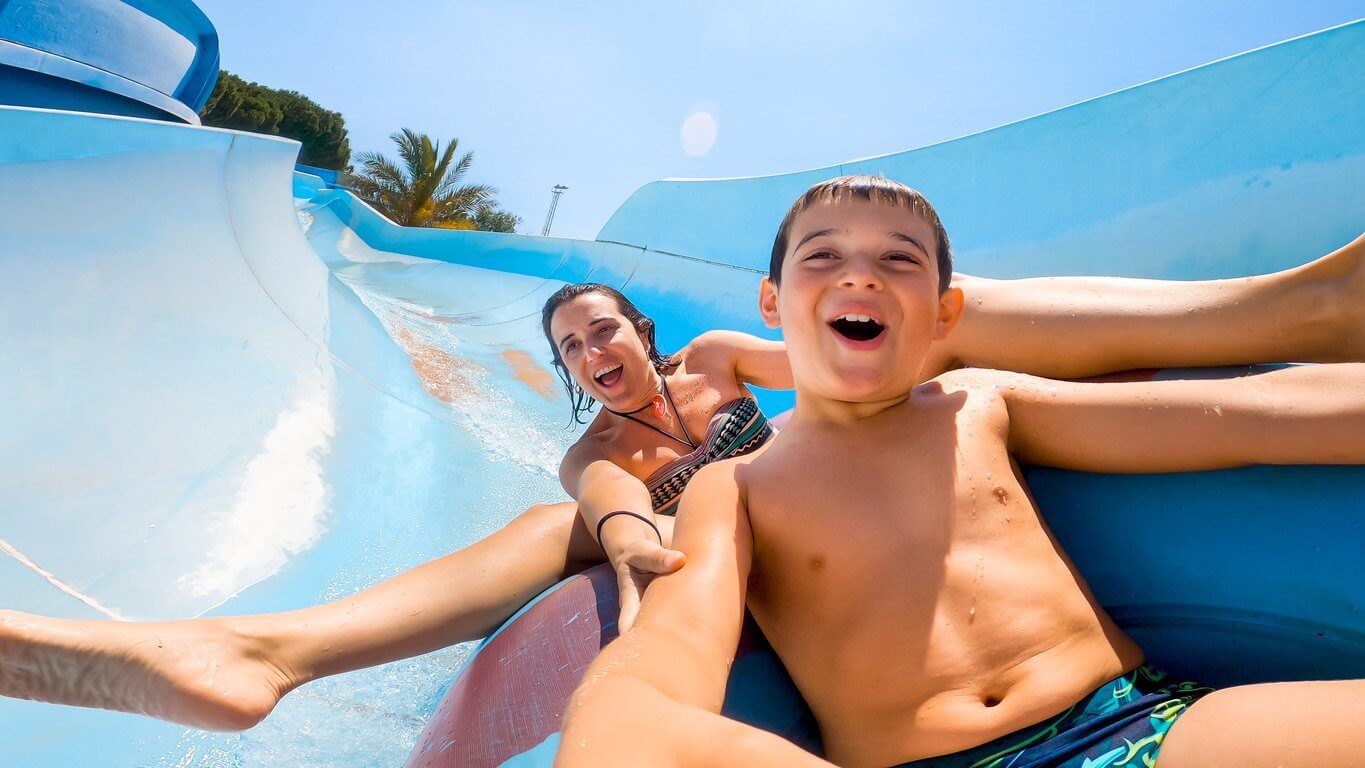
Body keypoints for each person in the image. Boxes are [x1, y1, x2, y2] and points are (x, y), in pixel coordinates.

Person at [1, 191, 1362, 734]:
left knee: (923, 334)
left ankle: (1279, 312)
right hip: (719, 544)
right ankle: (256, 654)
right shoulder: (611, 450)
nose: (593, 355)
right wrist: (642, 554)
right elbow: (610, 509)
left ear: (640, 331)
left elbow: (882, 347)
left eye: (601, 331)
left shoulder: (732, 359)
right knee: (567, 535)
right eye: (572, 349)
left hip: (872, 503)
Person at [557, 175, 1365, 768]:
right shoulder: (732, 486)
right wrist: (626, 712)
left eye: (898, 260)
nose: (859, 274)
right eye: (823, 254)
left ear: (945, 313)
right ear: (771, 301)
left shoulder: (979, 403)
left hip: (1136, 720)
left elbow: (1251, 418)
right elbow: (673, 645)